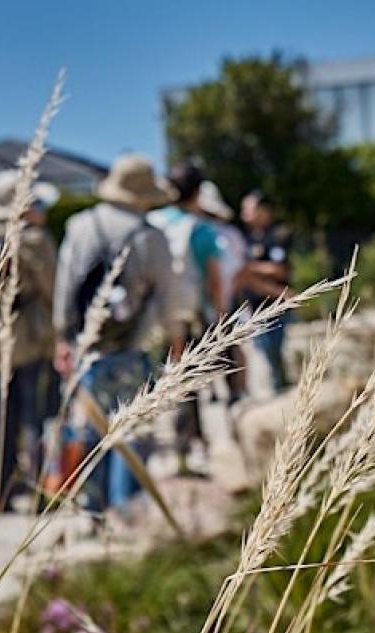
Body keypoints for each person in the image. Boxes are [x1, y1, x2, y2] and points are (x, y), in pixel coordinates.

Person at [53, 154, 190, 517]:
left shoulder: (80, 226)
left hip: (88, 346)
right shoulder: (151, 237)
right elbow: (168, 296)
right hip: (134, 347)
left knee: (88, 429)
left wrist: (62, 338)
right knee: (131, 430)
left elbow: (65, 287)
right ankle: (124, 512)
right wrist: (177, 340)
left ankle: (91, 511)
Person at [0, 170, 59, 511]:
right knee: (34, 414)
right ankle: (38, 491)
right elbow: (53, 289)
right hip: (30, 339)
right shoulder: (35, 240)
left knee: (1, 416)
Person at [147, 163, 224, 473]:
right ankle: (190, 444)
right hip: (189, 315)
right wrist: (219, 315)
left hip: (152, 317)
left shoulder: (151, 223)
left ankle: (158, 447)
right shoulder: (200, 228)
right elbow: (214, 277)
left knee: (156, 380)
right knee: (190, 384)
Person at [196, 180, 249, 402]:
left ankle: (235, 394)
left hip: (219, 303)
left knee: (229, 352)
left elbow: (235, 272)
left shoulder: (219, 234)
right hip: (214, 303)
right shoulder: (221, 233)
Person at [239, 190, 293, 394]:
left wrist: (247, 267)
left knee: (274, 355)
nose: (245, 213)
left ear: (264, 211)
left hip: (276, 308)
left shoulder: (277, 235)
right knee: (263, 354)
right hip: (254, 309)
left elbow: (279, 269)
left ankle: (282, 394)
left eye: (249, 208)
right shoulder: (247, 238)